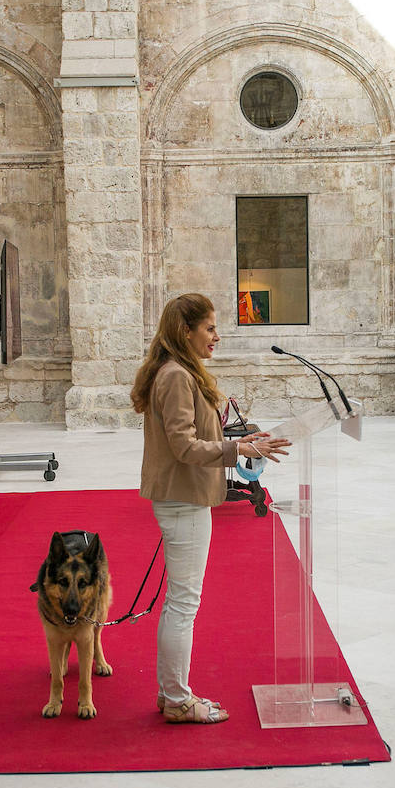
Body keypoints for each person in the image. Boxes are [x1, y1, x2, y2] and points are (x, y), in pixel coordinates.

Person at [131, 293, 290, 724]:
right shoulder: (176, 375)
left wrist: (243, 442)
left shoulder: (178, 371)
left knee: (179, 601)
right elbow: (183, 446)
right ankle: (179, 700)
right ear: (186, 331)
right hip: (183, 498)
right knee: (184, 602)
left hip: (184, 496)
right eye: (210, 328)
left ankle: (171, 694)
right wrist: (237, 446)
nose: (217, 336)